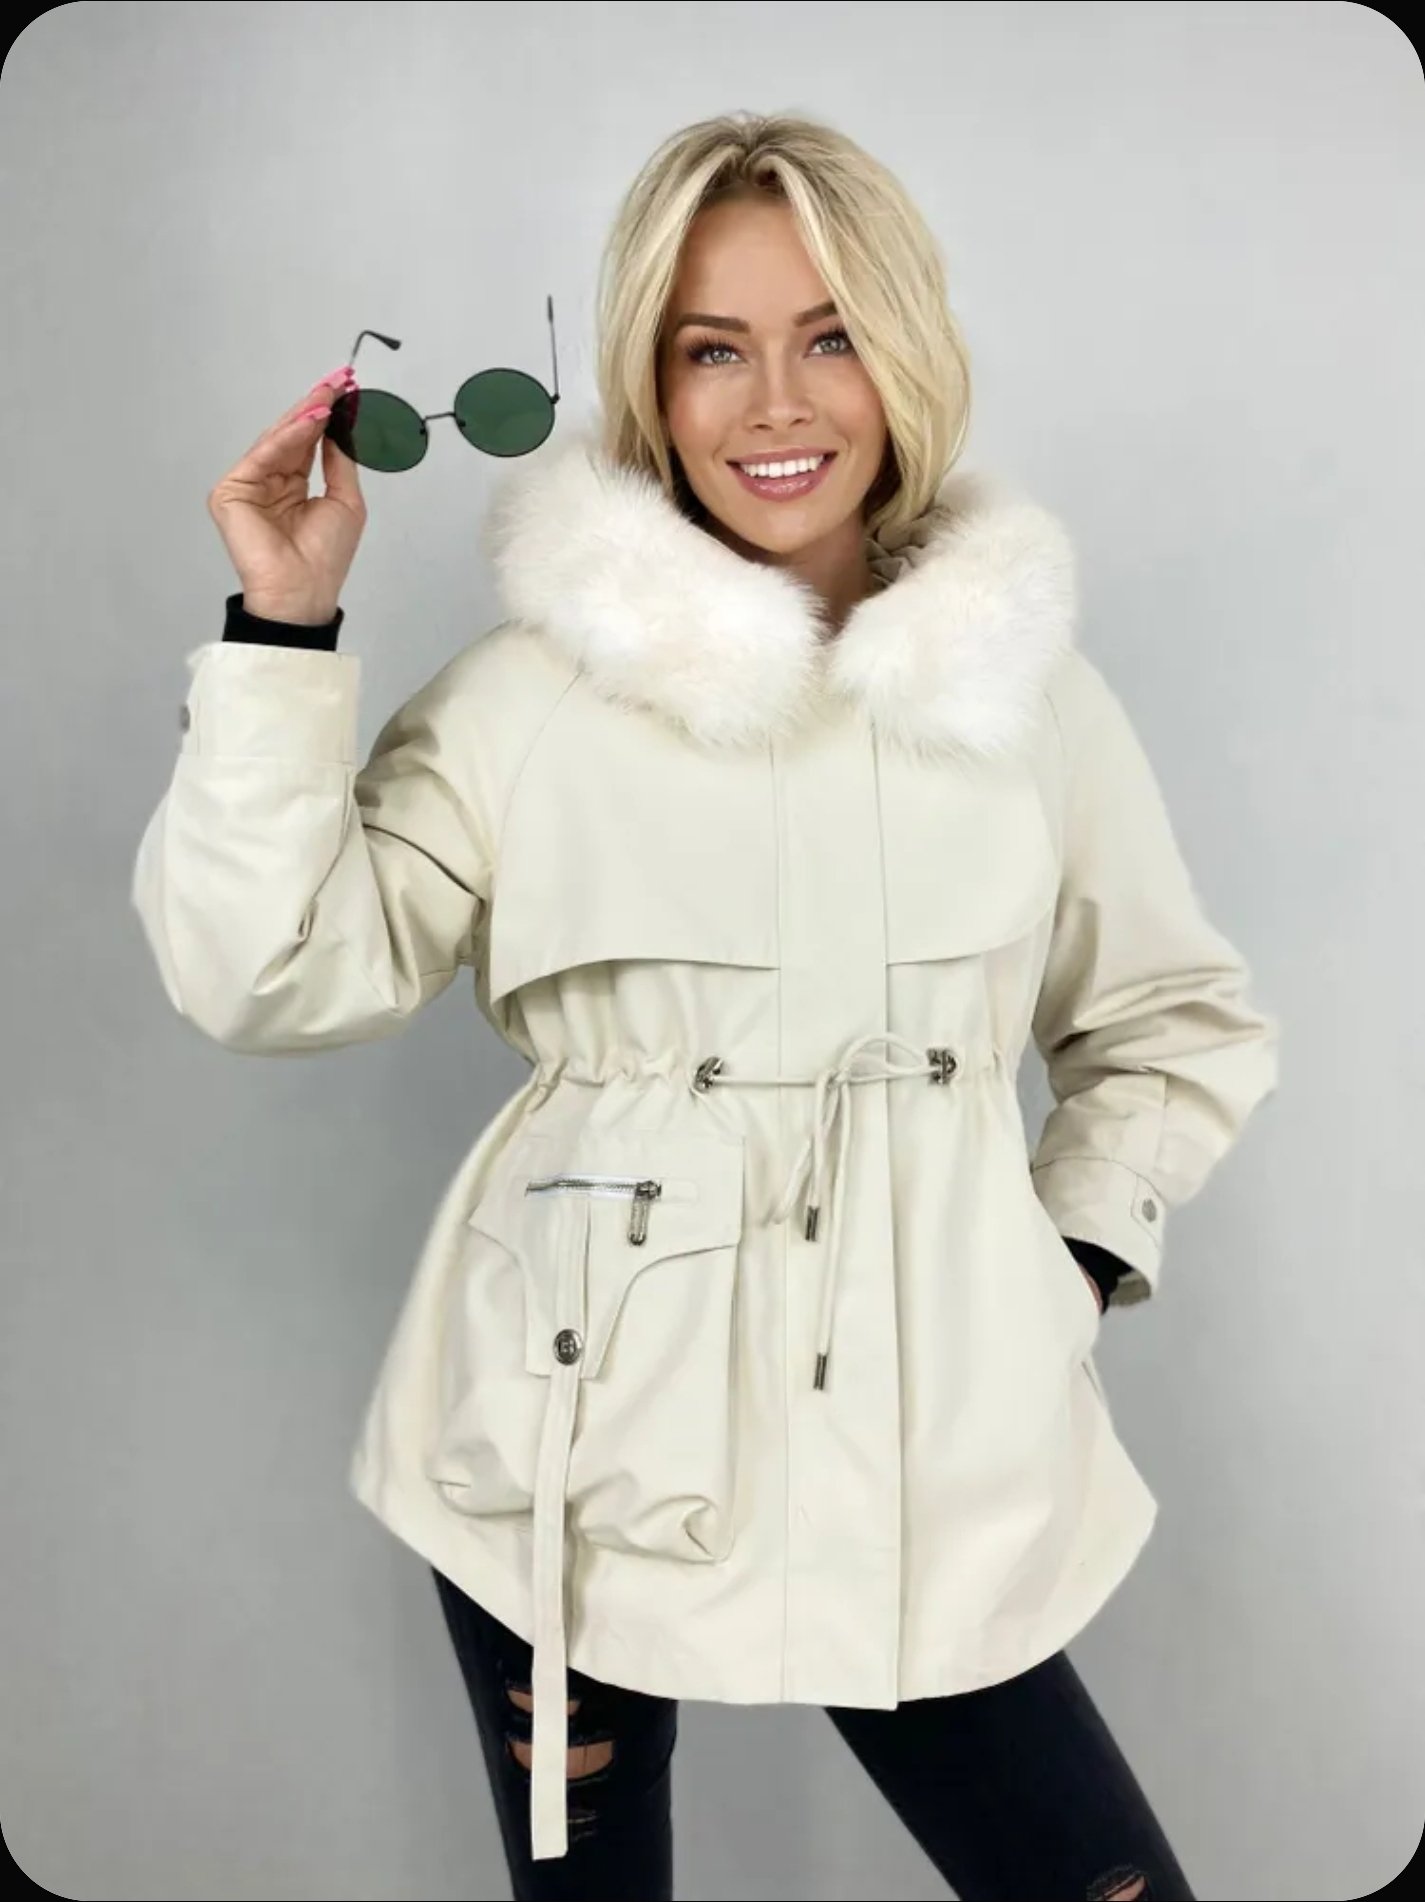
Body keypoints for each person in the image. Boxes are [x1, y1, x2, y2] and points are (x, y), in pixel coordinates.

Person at [131, 110, 1279, 1901]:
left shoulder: (1024, 698)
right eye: (712, 349)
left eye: (829, 336)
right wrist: (284, 632)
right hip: (574, 1443)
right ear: (647, 382)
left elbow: (1167, 1019)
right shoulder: (533, 693)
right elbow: (269, 969)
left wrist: (1059, 1261)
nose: (776, 405)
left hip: (935, 1449)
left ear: (904, 352)